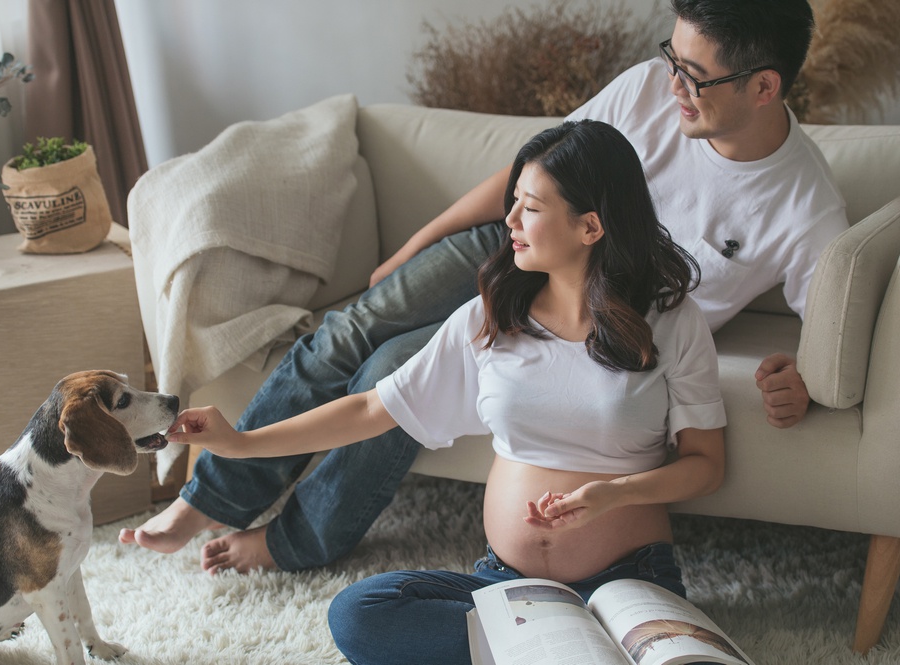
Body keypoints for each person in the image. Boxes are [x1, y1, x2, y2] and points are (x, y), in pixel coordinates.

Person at [119, 0, 846, 575]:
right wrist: (418, 240)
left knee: (389, 376)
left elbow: (832, 338)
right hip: (511, 248)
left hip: (591, 305)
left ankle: (293, 540)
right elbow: (532, 177)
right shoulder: (648, 94)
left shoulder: (803, 204)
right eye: (671, 60)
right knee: (348, 329)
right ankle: (206, 499)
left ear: (763, 86)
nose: (673, 87)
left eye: (695, 75)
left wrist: (800, 380)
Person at [164, 120, 728, 665]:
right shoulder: (491, 317)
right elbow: (368, 409)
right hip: (512, 586)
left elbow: (705, 466)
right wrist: (238, 442)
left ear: (591, 226)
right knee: (360, 613)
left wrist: (614, 494)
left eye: (530, 208)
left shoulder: (671, 321)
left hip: (627, 581)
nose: (509, 220)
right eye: (514, 202)